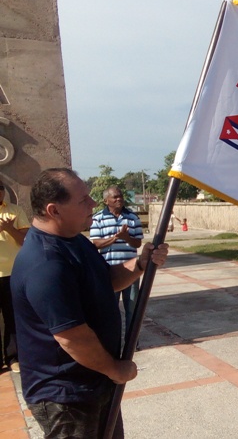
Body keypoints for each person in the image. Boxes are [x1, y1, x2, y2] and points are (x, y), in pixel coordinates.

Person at [10, 168, 168, 438]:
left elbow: (106, 282)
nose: (93, 203)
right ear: (54, 210)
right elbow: (72, 337)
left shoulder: (74, 241)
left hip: (95, 381)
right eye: (83, 199)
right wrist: (115, 369)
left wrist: (141, 263)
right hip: (67, 397)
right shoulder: (45, 263)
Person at [90, 186, 144, 339]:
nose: (119, 199)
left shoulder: (132, 217)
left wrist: (126, 238)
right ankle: (112, 341)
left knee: (132, 308)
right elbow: (96, 243)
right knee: (110, 310)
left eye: (120, 196)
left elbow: (138, 243)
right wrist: (115, 238)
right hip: (109, 272)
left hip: (131, 271)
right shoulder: (98, 218)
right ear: (106, 201)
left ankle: (131, 342)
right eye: (115, 197)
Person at [0, 179, 29, 373]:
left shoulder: (15, 211)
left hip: (12, 273)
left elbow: (25, 240)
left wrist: (9, 228)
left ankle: (13, 357)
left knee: (12, 317)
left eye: (0, 189)